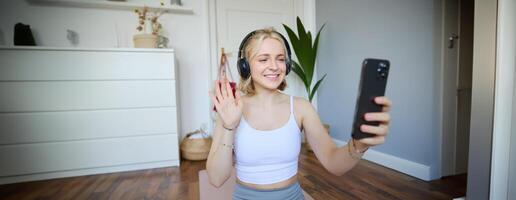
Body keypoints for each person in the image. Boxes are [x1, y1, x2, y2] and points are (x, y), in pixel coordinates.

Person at [207, 28, 392, 200]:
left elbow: (334, 164)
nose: (274, 66)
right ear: (245, 66)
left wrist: (358, 145)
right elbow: (216, 178)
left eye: (280, 59)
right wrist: (228, 126)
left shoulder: (301, 107)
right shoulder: (231, 108)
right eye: (263, 59)